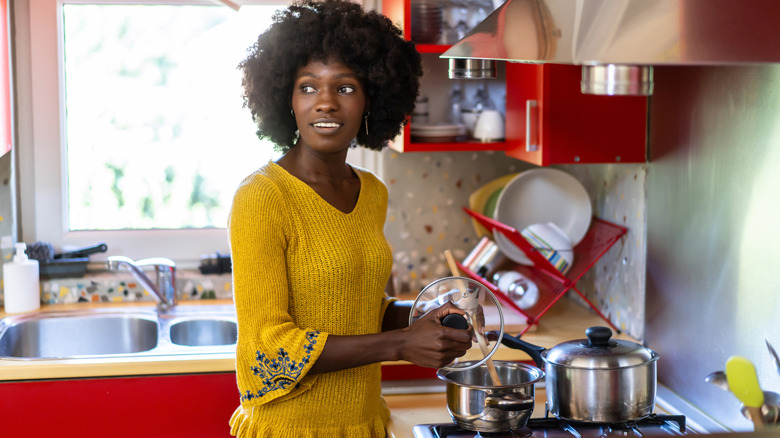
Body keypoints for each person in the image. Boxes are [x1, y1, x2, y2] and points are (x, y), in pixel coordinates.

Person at [227, 0, 474, 436]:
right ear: (285, 98)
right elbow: (267, 352)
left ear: (370, 100)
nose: (325, 103)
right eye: (307, 87)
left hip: (365, 424)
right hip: (292, 429)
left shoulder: (371, 192)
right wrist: (401, 345)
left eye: (344, 88)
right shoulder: (262, 197)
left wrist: (423, 315)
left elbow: (358, 310)